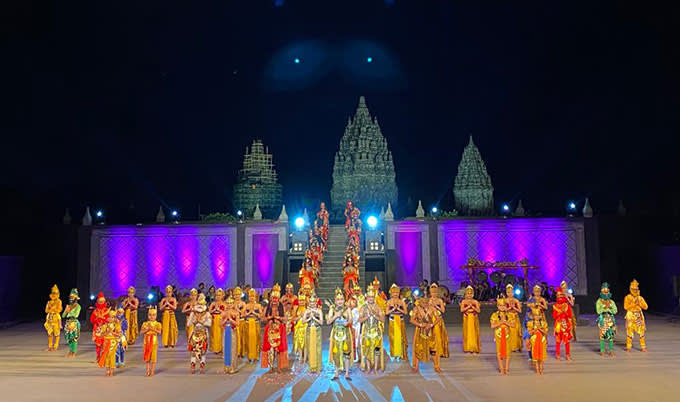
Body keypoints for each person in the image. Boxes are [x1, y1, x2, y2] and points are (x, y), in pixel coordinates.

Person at [261, 284, 289, 373]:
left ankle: (279, 367)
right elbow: (262, 319)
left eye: (276, 299)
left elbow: (285, 319)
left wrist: (278, 318)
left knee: (279, 349)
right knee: (270, 349)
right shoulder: (267, 308)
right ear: (270, 299)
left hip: (279, 330)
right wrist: (269, 318)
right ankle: (271, 367)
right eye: (273, 298)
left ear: (278, 299)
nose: (274, 300)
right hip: (269, 330)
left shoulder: (282, 308)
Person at [327, 288, 354, 380]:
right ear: (335, 301)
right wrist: (335, 316)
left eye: (341, 299)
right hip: (336, 333)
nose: (340, 301)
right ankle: (336, 373)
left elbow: (351, 319)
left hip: (346, 332)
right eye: (338, 299)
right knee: (336, 352)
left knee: (347, 353)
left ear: (344, 300)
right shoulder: (332, 309)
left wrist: (348, 323)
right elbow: (328, 322)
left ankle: (347, 373)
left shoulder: (347, 309)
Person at [410, 297, 441, 373]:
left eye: (426, 303)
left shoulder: (432, 309)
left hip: (430, 331)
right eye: (423, 303)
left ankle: (437, 366)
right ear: (420, 302)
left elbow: (438, 318)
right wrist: (420, 324)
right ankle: (416, 367)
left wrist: (432, 324)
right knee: (418, 348)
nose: (425, 304)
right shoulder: (416, 309)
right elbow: (412, 320)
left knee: (433, 348)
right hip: (420, 331)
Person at [360, 287, 385, 373]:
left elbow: (383, 320)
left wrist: (374, 315)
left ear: (374, 297)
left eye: (372, 297)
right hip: (367, 331)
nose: (371, 299)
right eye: (369, 297)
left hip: (376, 331)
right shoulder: (363, 308)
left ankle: (375, 368)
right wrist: (367, 316)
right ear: (366, 297)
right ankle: (368, 368)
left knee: (376, 350)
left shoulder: (378, 307)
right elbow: (359, 320)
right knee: (367, 350)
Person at [187, 293, 212, 374]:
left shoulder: (207, 314)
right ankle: (193, 365)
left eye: (202, 304)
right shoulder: (193, 313)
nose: (200, 306)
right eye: (199, 304)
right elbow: (188, 323)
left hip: (203, 332)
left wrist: (202, 321)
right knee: (193, 351)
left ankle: (202, 365)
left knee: (203, 351)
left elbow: (209, 324)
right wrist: (194, 320)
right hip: (195, 332)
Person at [490, 296, 514, 375]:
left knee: (508, 352)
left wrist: (505, 322)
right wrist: (501, 322)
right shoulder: (494, 315)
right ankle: (501, 368)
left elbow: (513, 325)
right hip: (498, 335)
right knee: (499, 352)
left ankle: (506, 368)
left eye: (503, 305)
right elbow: (492, 326)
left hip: (507, 335)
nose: (502, 307)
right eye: (500, 305)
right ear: (497, 306)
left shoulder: (510, 315)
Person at [624, 279, 648, 352]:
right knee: (630, 331)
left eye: (636, 289)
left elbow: (646, 307)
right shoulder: (627, 297)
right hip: (631, 315)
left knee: (641, 332)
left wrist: (639, 303)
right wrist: (634, 304)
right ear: (630, 289)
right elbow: (625, 307)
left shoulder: (640, 298)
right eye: (633, 289)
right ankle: (628, 347)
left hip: (638, 316)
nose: (634, 291)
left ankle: (643, 347)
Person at [302, 292, 323, 373]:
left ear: (316, 302)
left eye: (313, 302)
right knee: (309, 347)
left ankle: (318, 366)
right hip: (309, 330)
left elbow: (321, 322)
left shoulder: (319, 311)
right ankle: (311, 366)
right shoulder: (306, 311)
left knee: (317, 348)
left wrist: (314, 317)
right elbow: (303, 321)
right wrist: (309, 318)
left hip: (317, 330)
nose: (312, 303)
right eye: (311, 302)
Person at [386, 284, 408, 360]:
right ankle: (394, 353)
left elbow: (405, 312)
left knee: (401, 337)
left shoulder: (402, 302)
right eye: (394, 293)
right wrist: (393, 309)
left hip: (400, 321)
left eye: (397, 293)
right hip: (392, 321)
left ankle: (401, 353)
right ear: (391, 294)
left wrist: (398, 309)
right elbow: (387, 312)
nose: (395, 294)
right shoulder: (389, 302)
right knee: (393, 337)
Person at [596, 282, 617, 357]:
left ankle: (611, 351)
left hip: (610, 319)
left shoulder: (611, 302)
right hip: (603, 319)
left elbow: (615, 311)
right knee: (602, 335)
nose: (606, 294)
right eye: (604, 292)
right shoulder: (599, 301)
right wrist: (605, 307)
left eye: (607, 292)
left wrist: (610, 307)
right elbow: (598, 311)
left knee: (610, 335)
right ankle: (602, 351)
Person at [97, 311, 122, 377]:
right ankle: (107, 370)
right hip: (106, 342)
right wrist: (106, 332)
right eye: (109, 317)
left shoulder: (117, 325)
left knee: (112, 356)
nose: (111, 319)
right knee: (107, 355)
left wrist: (113, 333)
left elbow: (120, 334)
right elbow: (100, 335)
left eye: (112, 317)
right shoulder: (104, 326)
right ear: (107, 318)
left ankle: (112, 371)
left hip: (113, 342)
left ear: (114, 318)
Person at [552, 288, 574, 361]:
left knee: (567, 340)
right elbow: (554, 316)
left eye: (561, 295)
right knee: (558, 340)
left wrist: (565, 313)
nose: (560, 297)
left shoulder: (566, 305)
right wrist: (559, 313)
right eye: (558, 295)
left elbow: (570, 315)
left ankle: (567, 355)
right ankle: (557, 354)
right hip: (558, 324)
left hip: (565, 324)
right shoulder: (555, 306)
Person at [428, 283, 449, 358]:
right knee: (430, 334)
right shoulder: (428, 300)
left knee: (437, 334)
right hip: (430, 319)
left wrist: (437, 307)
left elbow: (443, 310)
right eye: (432, 292)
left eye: (435, 292)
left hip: (438, 319)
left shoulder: (440, 300)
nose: (434, 294)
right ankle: (431, 349)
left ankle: (438, 350)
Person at [526, 305, 548, 374]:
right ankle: (537, 369)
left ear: (540, 316)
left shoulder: (543, 323)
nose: (537, 317)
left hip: (542, 340)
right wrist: (535, 329)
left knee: (541, 355)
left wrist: (540, 329)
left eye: (538, 315)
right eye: (535, 315)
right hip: (534, 340)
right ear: (533, 316)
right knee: (535, 354)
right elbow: (530, 333)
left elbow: (545, 332)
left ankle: (541, 369)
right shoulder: (530, 323)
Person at [140, 307, 162, 376]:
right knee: (147, 357)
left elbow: (159, 332)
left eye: (153, 315)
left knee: (153, 358)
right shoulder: (145, 324)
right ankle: (147, 371)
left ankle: (152, 371)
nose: (152, 317)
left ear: (156, 316)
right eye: (150, 315)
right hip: (146, 342)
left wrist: (152, 329)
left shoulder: (158, 324)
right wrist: (147, 329)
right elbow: (141, 332)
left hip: (154, 342)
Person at [221, 295, 240, 374]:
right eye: (228, 303)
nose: (229, 305)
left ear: (233, 304)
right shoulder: (223, 312)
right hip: (225, 331)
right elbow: (220, 324)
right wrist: (225, 320)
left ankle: (233, 367)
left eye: (231, 303)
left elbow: (238, 323)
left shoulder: (236, 313)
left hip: (232, 331)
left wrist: (231, 320)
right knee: (225, 348)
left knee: (233, 349)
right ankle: (226, 367)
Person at [243, 288, 263, 363]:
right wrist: (248, 313)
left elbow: (261, 315)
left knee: (257, 339)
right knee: (248, 340)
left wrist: (254, 313)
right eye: (250, 296)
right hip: (248, 323)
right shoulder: (246, 305)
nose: (252, 298)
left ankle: (256, 356)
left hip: (255, 323)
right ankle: (249, 356)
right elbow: (242, 314)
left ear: (255, 297)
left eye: (253, 296)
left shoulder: (258, 305)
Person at [460, 285, 481, 353]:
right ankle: (467, 348)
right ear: (465, 294)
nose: (469, 295)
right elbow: (462, 310)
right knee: (467, 332)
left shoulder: (475, 301)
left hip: (474, 318)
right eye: (468, 293)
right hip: (466, 318)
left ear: (473, 294)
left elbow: (478, 311)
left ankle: (474, 347)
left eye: (470, 293)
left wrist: (473, 307)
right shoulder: (463, 301)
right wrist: (468, 307)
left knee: (474, 332)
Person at [90, 292, 110, 361]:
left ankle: (104, 357)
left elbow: (109, 320)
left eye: (102, 302)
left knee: (105, 343)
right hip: (97, 329)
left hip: (105, 329)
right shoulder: (95, 311)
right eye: (100, 302)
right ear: (97, 302)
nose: (101, 303)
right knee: (98, 344)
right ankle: (98, 357)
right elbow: (92, 320)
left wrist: (103, 318)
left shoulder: (107, 311)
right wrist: (97, 319)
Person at [63, 288, 81, 358]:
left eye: (72, 297)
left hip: (74, 322)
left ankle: (73, 352)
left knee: (73, 338)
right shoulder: (68, 306)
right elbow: (63, 316)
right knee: (68, 338)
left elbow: (76, 315)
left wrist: (69, 311)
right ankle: (70, 351)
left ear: (76, 298)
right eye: (70, 297)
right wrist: (66, 311)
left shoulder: (78, 306)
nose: (71, 298)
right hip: (68, 323)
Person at [44, 284, 63, 352]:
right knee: (50, 334)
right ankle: (50, 346)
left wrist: (53, 309)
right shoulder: (49, 302)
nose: (54, 295)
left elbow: (59, 309)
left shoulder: (59, 301)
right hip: (50, 319)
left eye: (55, 293)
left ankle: (55, 346)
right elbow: (46, 310)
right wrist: (49, 308)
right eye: (53, 293)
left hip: (56, 319)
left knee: (56, 334)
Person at [504, 284, 523, 352]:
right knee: (508, 332)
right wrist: (509, 308)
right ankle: (508, 346)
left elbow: (520, 311)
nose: (510, 294)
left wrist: (514, 308)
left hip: (514, 317)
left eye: (511, 292)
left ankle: (515, 346)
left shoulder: (516, 301)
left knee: (515, 332)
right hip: (508, 317)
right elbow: (502, 310)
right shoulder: (505, 301)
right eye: (508, 292)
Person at [292, 290, 308, 362]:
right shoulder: (296, 309)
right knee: (299, 343)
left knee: (305, 343)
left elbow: (309, 318)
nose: (301, 302)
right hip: (298, 328)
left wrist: (304, 316)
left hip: (305, 327)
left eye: (303, 301)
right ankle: (300, 357)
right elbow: (293, 318)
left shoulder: (307, 309)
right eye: (300, 301)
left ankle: (305, 358)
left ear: (305, 301)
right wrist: (299, 317)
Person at [209, 288, 226, 354]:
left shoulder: (224, 304)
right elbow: (209, 311)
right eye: (217, 295)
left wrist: (219, 310)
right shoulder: (213, 303)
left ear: (222, 296)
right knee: (214, 333)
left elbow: (226, 312)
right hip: (214, 319)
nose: (218, 297)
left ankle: (221, 348)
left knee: (221, 334)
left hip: (221, 319)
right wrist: (214, 310)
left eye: (219, 295)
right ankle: (215, 348)